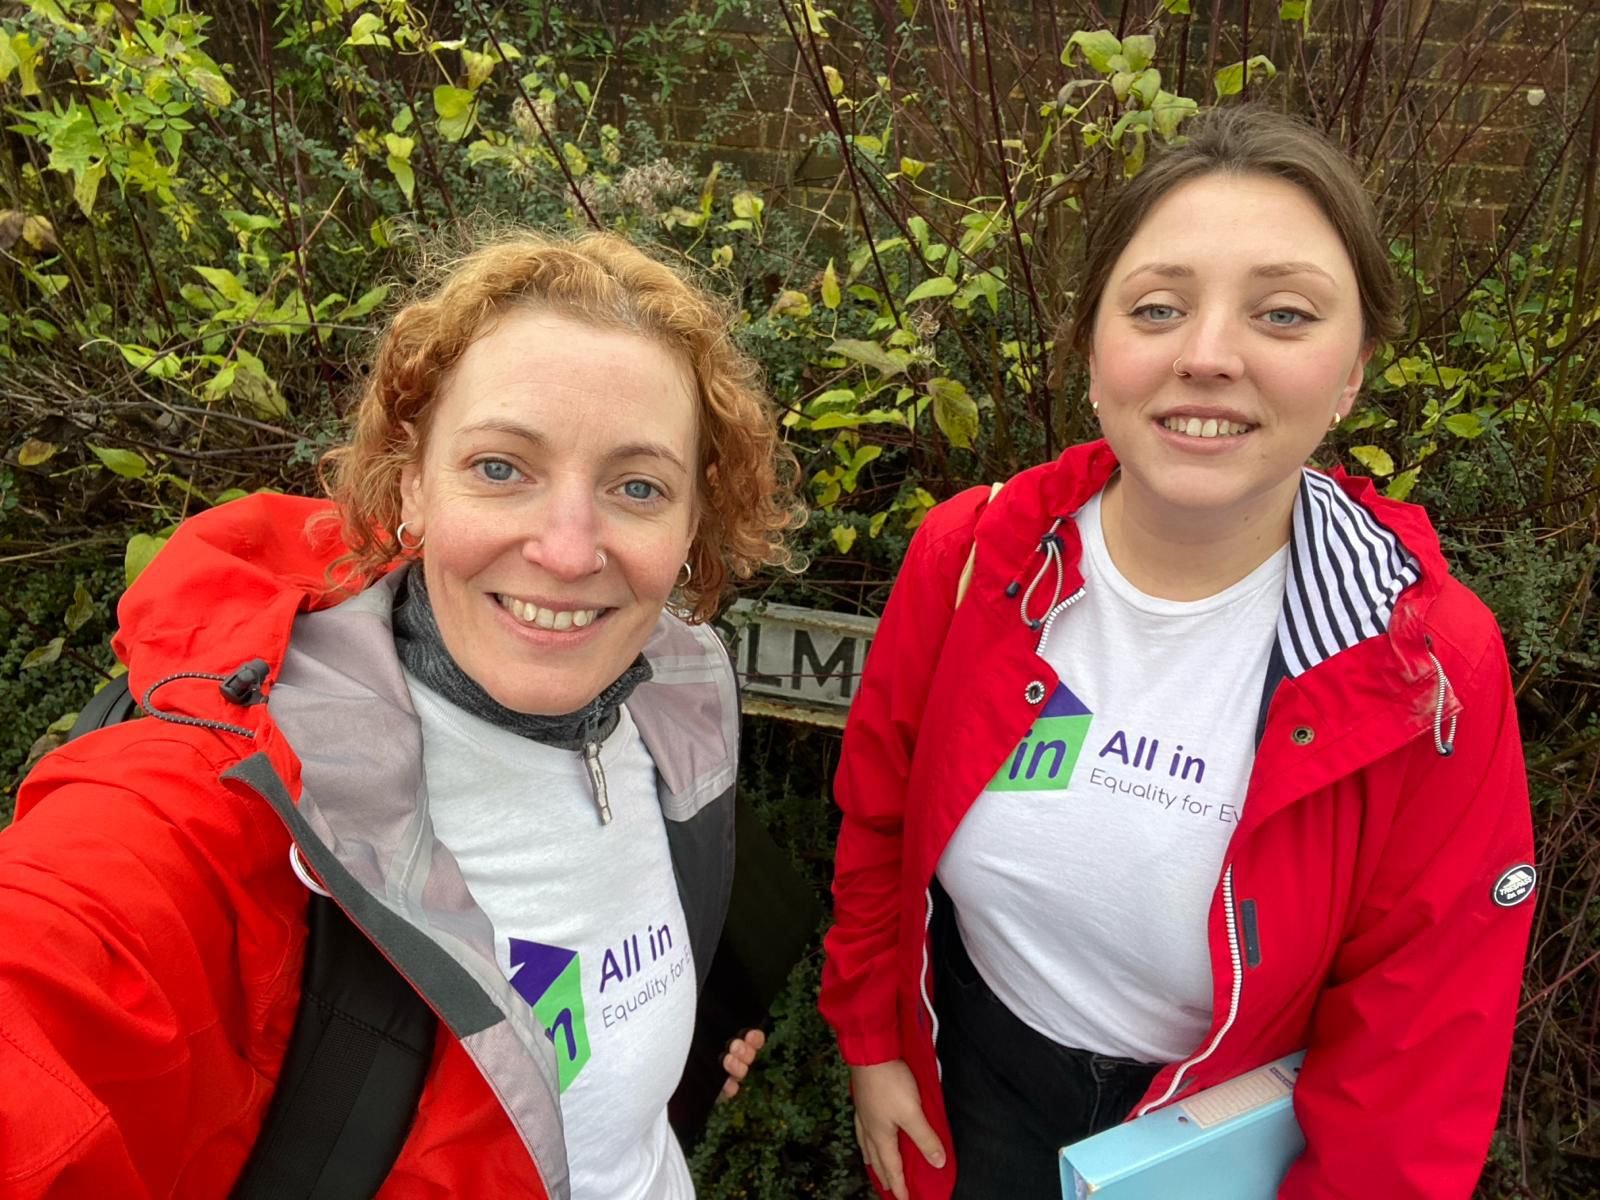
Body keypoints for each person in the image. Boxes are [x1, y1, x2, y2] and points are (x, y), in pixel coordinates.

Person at [819, 107, 1536, 1200]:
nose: (1207, 356)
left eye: (1283, 314)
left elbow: (1416, 1051)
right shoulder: (974, 556)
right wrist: (873, 1040)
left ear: (1352, 372)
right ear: (1096, 346)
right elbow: (876, 820)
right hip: (969, 1080)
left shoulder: (1424, 668)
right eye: (1157, 308)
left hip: (1216, 1139)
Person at [0, 230, 800, 1198]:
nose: (567, 548)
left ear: (690, 526)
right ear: (412, 483)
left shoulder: (674, 695)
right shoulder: (223, 800)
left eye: (638, 487)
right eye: (502, 468)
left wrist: (666, 1044)